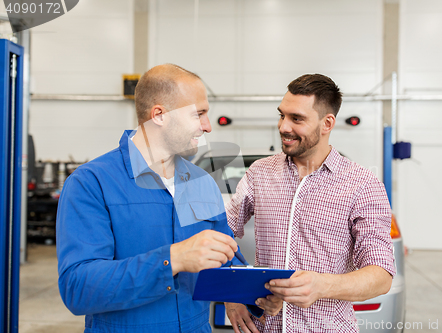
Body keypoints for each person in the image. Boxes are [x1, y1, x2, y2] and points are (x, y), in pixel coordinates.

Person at [56, 64, 251, 333]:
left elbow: (226, 256)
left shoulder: (201, 183)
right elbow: (78, 288)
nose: (207, 127)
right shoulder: (91, 183)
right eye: (199, 114)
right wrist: (173, 259)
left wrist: (252, 290)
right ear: (159, 115)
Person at [225, 74, 396, 333]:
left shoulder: (362, 184)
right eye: (282, 115)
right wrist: (231, 294)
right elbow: (218, 233)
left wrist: (321, 285)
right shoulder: (260, 173)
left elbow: (381, 275)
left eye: (297, 119)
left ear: (327, 123)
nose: (283, 126)